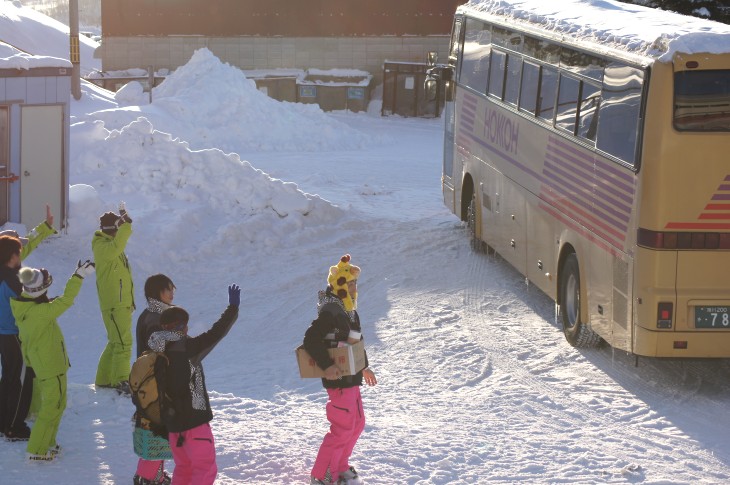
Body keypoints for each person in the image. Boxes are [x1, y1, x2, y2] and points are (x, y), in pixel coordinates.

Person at [147, 284, 240, 485]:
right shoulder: (187, 348)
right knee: (204, 470)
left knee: (183, 469)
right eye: (186, 325)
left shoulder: (155, 352)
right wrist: (232, 308)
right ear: (181, 327)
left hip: (173, 426)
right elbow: (217, 333)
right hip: (194, 424)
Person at [303, 254, 377, 485]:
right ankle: (322, 475)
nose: (354, 287)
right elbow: (310, 340)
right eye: (350, 283)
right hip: (338, 381)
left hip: (352, 378)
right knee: (343, 428)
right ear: (339, 286)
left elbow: (356, 340)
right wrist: (328, 366)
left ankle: (340, 467)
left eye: (355, 283)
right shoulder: (330, 312)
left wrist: (364, 367)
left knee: (356, 424)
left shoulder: (349, 311)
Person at [10, 260, 95, 461]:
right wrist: (78, 276)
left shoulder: (27, 305)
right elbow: (66, 300)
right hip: (49, 366)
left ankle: (47, 443)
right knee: (50, 408)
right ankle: (36, 450)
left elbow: (47, 303)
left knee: (58, 405)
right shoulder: (39, 313)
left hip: (51, 364)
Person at [0, 206, 56, 441]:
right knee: (20, 381)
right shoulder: (13, 279)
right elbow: (31, 299)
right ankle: (14, 426)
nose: (21, 255)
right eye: (18, 253)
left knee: (9, 377)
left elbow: (26, 246)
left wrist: (44, 228)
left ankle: (4, 421)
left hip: (4, 334)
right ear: (12, 256)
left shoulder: (6, 270)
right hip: (14, 334)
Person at [133, 274, 176, 485]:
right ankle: (148, 477)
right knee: (158, 430)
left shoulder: (150, 314)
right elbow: (158, 353)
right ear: (156, 292)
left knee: (154, 430)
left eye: (172, 288)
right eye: (167, 289)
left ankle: (150, 474)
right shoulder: (156, 319)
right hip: (155, 383)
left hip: (149, 382)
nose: (172, 293)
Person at [93, 202, 135, 394]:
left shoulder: (111, 246)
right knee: (123, 343)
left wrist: (130, 302)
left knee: (115, 341)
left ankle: (103, 379)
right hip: (114, 304)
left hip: (121, 303)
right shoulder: (102, 246)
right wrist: (126, 225)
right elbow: (118, 245)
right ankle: (121, 381)